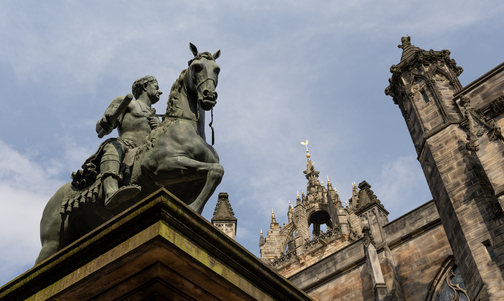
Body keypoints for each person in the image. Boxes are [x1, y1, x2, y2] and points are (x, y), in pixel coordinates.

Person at [97, 75, 162, 209]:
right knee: (113, 146)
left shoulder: (157, 116)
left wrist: (158, 128)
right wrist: (106, 122)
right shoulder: (127, 102)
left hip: (147, 149)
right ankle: (110, 192)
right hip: (126, 144)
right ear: (145, 86)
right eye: (156, 87)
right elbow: (100, 129)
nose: (160, 91)